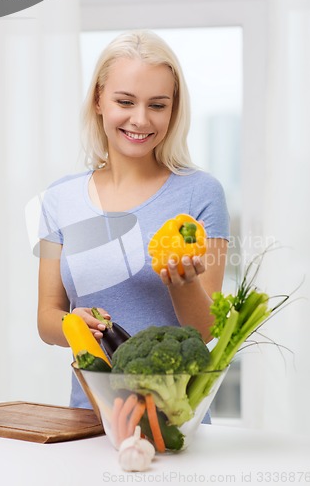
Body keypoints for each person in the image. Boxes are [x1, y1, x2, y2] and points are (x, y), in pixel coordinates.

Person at [36, 30, 230, 414]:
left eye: (157, 105)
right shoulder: (59, 198)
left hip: (175, 420)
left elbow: (208, 331)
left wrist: (183, 281)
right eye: (125, 101)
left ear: (174, 109)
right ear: (98, 100)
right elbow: (46, 318)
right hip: (88, 419)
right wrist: (74, 325)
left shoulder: (202, 194)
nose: (140, 120)